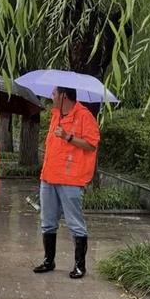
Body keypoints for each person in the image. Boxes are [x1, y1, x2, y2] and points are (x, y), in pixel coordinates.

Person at [33, 86, 100, 279]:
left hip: (71, 178)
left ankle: (80, 265)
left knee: (75, 223)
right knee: (47, 221)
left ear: (63, 95)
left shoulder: (84, 115)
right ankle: (48, 260)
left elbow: (91, 143)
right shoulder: (56, 114)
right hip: (49, 176)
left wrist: (68, 137)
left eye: (54, 93)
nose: (51, 96)